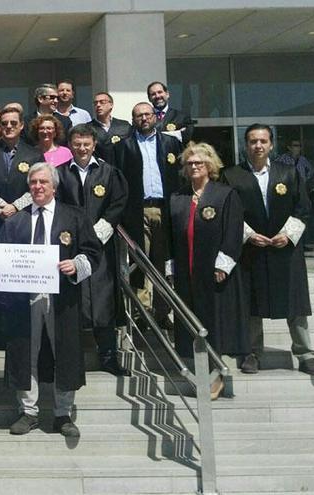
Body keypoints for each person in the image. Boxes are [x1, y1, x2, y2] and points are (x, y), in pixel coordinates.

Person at [0, 162, 100, 438]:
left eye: (43, 182)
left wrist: (76, 265)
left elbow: (92, 252)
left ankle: (62, 413)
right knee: (25, 353)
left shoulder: (73, 217)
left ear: (54, 186)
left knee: (63, 351)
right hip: (25, 299)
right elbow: (2, 258)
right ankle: (28, 412)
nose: (38, 187)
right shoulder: (15, 221)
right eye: (33, 183)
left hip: (62, 297)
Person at [221, 124, 314, 375]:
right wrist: (249, 235)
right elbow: (227, 214)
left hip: (285, 251)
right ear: (246, 145)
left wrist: (288, 234)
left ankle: (305, 353)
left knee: (295, 303)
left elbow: (303, 208)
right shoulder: (231, 176)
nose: (258, 146)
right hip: (252, 251)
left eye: (263, 141)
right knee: (252, 303)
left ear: (271, 144)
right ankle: (252, 352)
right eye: (253, 141)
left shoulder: (289, 172)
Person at [169, 143, 249, 399]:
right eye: (190, 163)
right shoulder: (178, 197)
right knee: (192, 326)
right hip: (186, 273)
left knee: (214, 325)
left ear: (210, 166)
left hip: (214, 274)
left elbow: (234, 232)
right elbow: (171, 237)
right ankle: (197, 374)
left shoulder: (225, 195)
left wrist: (223, 265)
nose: (194, 166)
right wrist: (170, 268)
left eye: (199, 163)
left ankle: (217, 376)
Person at [55, 124, 129, 375]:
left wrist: (101, 231)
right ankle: (72, 359)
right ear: (70, 146)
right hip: (70, 248)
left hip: (101, 247)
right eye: (77, 144)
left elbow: (118, 203)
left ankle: (108, 358)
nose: (82, 148)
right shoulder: (60, 173)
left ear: (94, 145)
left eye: (86, 144)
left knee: (103, 300)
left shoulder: (109, 173)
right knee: (73, 302)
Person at [115, 102, 184, 327]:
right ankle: (142, 313)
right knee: (140, 262)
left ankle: (163, 312)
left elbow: (181, 178)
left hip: (165, 209)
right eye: (138, 116)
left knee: (163, 261)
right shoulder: (123, 146)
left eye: (147, 114)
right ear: (133, 120)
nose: (143, 118)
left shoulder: (171, 143)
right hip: (138, 210)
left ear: (155, 117)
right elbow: (120, 183)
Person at [0, 107, 45, 229]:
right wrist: (1, 208)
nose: (9, 126)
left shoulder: (35, 155)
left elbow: (39, 185)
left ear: (21, 125)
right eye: (4, 123)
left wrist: (15, 207)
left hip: (25, 219)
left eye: (13, 123)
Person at [90, 92, 132, 162]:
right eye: (95, 103)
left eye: (102, 102)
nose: (98, 105)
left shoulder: (124, 126)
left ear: (111, 105)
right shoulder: (88, 128)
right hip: (99, 169)